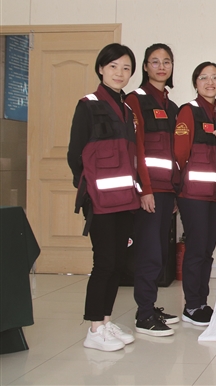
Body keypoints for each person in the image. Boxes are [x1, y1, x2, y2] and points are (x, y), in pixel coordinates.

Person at [68, 43, 140, 351]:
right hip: (99, 201)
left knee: (118, 263)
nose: (119, 73)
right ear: (101, 68)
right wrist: (90, 190)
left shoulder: (126, 110)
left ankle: (106, 321)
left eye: (126, 68)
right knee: (105, 262)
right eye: (113, 66)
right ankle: (94, 328)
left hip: (125, 199)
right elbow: (75, 155)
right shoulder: (88, 105)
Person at [126, 43, 181, 337]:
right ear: (146, 66)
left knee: (159, 252)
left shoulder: (171, 106)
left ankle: (150, 306)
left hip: (166, 192)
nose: (161, 66)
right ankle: (144, 314)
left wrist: (174, 191)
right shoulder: (136, 100)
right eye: (155, 61)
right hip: (149, 193)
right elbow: (136, 148)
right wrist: (144, 190)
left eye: (166, 61)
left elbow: (174, 153)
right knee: (149, 254)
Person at [174, 62, 216, 326]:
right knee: (196, 249)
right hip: (193, 195)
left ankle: (202, 302)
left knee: (207, 251)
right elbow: (179, 153)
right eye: (204, 77)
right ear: (196, 82)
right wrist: (176, 191)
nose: (210, 82)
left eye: (215, 77)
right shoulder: (189, 111)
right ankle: (192, 305)